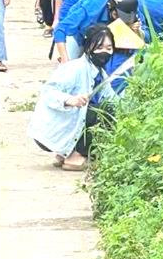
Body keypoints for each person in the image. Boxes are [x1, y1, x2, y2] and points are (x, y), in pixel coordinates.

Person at [28, 24, 118, 171]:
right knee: (105, 113)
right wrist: (70, 100)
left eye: (109, 49)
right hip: (52, 130)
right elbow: (48, 92)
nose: (105, 53)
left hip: (67, 127)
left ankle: (64, 153)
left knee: (111, 109)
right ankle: (75, 156)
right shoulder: (75, 68)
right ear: (88, 48)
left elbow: (114, 101)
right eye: (100, 48)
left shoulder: (100, 74)